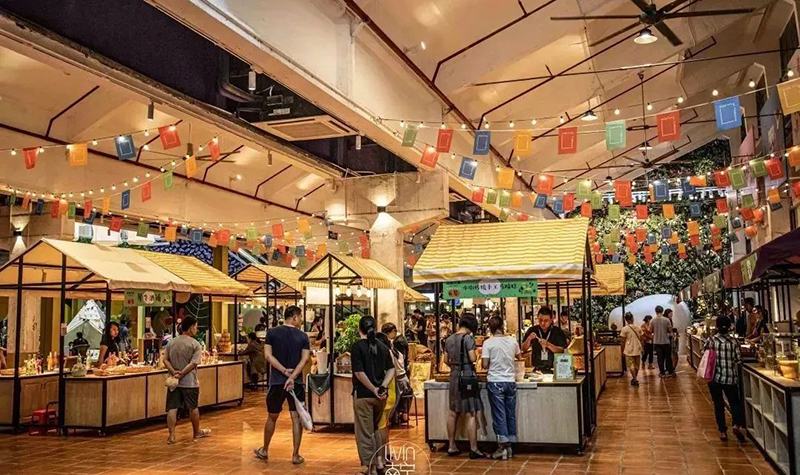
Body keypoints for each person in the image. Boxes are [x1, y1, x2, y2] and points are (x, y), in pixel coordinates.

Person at [254, 306, 310, 464]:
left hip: (277, 381)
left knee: (272, 416)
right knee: (296, 417)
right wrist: (292, 376)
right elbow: (305, 359)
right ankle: (295, 455)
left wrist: (284, 371)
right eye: (300, 317)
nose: (301, 320)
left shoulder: (271, 333)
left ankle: (265, 449)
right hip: (296, 383)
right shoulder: (303, 337)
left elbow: (267, 356)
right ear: (294, 317)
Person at [351, 316, 395, 475]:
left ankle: (370, 467)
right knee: (375, 428)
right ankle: (378, 462)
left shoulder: (357, 347)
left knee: (365, 432)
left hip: (363, 395)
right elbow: (391, 369)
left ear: (359, 329)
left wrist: (372, 388)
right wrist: (382, 386)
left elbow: (359, 372)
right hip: (380, 397)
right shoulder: (383, 347)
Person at [444, 313, 485, 459]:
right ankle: (473, 448)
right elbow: (472, 357)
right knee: (470, 412)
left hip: (454, 375)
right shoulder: (468, 338)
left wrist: (455, 365)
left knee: (453, 412)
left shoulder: (449, 339)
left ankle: (451, 446)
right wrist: (477, 355)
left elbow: (446, 360)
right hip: (466, 376)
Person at [163, 316, 210, 444]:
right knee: (193, 407)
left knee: (172, 408)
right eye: (195, 327)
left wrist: (174, 372)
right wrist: (182, 373)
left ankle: (172, 436)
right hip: (190, 382)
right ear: (190, 328)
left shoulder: (172, 342)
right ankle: (196, 432)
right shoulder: (195, 344)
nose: (196, 330)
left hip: (173, 382)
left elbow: (165, 359)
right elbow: (194, 363)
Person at [481, 315, 520, 460]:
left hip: (495, 381)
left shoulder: (488, 343)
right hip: (510, 381)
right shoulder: (512, 341)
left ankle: (501, 447)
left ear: (490, 328)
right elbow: (519, 357)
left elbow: (485, 365)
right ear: (502, 326)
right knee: (510, 413)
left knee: (499, 415)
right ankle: (509, 446)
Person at [704, 315, 746, 442]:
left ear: (716, 326)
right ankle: (736, 425)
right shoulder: (734, 342)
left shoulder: (711, 340)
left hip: (714, 377)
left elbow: (705, 354)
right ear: (729, 326)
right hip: (730, 377)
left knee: (718, 404)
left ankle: (722, 431)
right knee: (734, 402)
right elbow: (738, 360)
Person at [375, 332, 400, 466]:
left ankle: (381, 458)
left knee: (381, 427)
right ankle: (386, 453)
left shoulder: (382, 354)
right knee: (384, 426)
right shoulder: (391, 352)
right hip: (391, 392)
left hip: (385, 394)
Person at [522, 307, 568, 373]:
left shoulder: (558, 331)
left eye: (546, 321)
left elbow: (561, 351)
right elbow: (523, 349)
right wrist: (529, 339)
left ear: (551, 320)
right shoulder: (532, 330)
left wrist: (548, 345)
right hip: (537, 369)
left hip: (554, 368)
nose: (542, 323)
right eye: (540, 320)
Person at [619, 313, 643, 386]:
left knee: (631, 365)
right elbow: (642, 339)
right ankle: (635, 378)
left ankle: (634, 379)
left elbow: (622, 341)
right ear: (632, 318)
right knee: (637, 365)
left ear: (626, 320)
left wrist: (622, 351)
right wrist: (642, 348)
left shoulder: (624, 329)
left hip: (628, 349)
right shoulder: (638, 327)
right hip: (637, 348)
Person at [651, 306, 674, 377]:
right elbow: (670, 330)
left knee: (660, 358)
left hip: (657, 342)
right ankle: (670, 371)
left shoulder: (652, 320)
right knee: (668, 357)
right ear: (662, 311)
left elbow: (650, 330)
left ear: (655, 311)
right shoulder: (666, 320)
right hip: (666, 341)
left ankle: (662, 372)